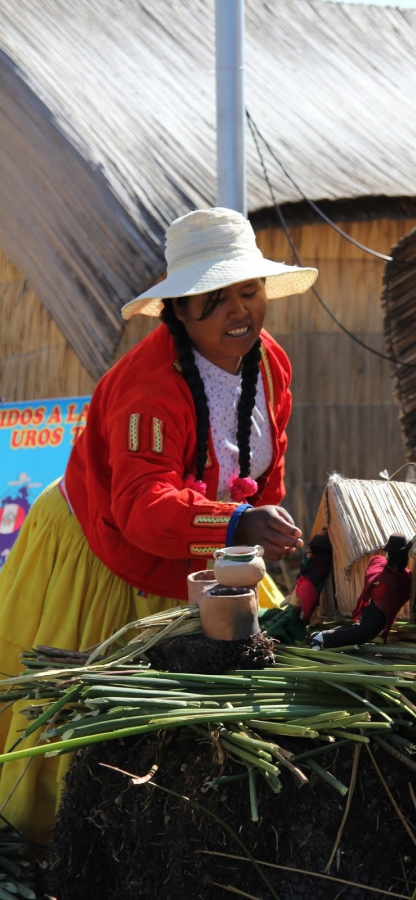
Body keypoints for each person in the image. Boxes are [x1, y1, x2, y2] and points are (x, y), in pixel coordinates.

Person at [0, 206, 318, 844]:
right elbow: (144, 511)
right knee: (94, 725)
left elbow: (265, 467)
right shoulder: (150, 387)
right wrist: (236, 523)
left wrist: (264, 525)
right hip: (104, 548)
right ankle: (63, 844)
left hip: (211, 547)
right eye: (214, 299)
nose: (239, 311)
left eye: (249, 292)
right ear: (177, 310)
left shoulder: (271, 365)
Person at [310, 535, 411, 649]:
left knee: (359, 630)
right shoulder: (387, 576)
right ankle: (320, 638)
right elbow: (376, 591)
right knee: (362, 633)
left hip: (378, 613)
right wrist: (386, 586)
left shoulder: (401, 576)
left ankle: (320, 636)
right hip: (375, 613)